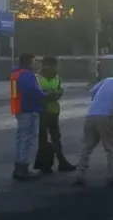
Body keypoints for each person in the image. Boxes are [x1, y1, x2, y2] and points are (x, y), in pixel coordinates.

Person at [33, 56, 75, 174]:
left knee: (56, 138)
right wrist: (52, 94)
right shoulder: (37, 78)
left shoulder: (57, 77)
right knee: (43, 139)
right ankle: (44, 166)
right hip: (42, 111)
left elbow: (59, 90)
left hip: (54, 111)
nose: (52, 68)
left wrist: (57, 93)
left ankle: (62, 162)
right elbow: (39, 94)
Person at [10, 53, 47, 181]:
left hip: (20, 109)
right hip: (28, 110)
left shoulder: (16, 74)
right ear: (29, 62)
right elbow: (31, 91)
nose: (36, 63)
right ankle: (23, 169)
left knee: (20, 140)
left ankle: (18, 168)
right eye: (34, 61)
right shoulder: (26, 75)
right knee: (27, 140)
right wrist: (44, 96)